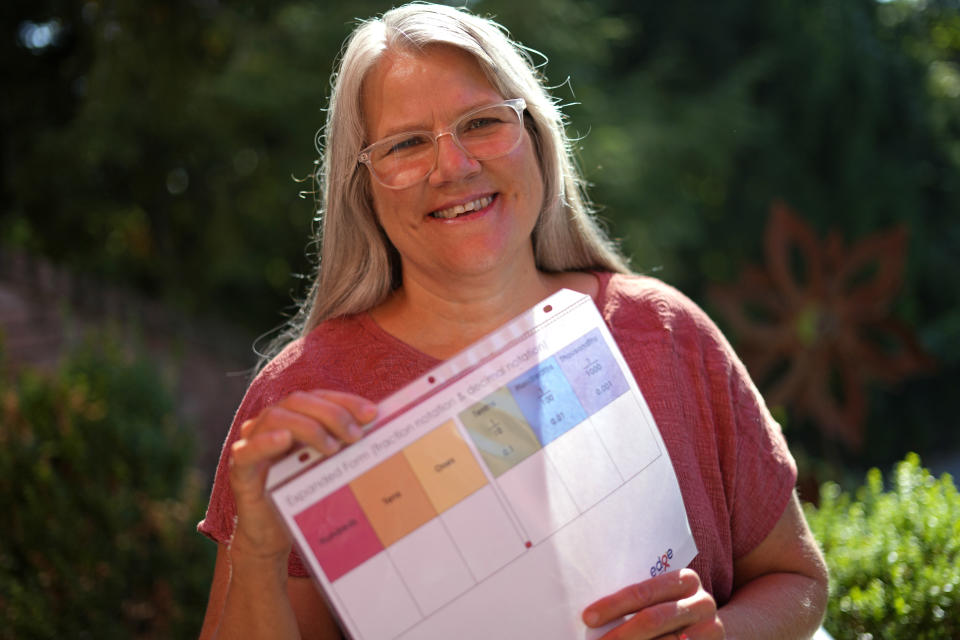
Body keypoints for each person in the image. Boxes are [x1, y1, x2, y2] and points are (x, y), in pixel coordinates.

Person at [197, 3, 829, 639]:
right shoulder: (299, 402)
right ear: (362, 187)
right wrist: (258, 549)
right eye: (408, 143)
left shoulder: (663, 333)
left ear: (536, 137)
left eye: (482, 122)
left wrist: (722, 636)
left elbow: (797, 580)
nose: (455, 166)